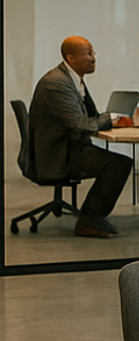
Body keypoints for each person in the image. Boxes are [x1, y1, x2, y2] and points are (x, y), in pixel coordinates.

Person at [20, 36, 132, 239]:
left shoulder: (73, 80)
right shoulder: (56, 83)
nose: (93, 58)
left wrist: (115, 118)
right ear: (70, 58)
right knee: (119, 164)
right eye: (88, 53)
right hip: (58, 155)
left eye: (93, 53)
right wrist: (112, 118)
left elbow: (91, 117)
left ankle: (91, 217)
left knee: (117, 162)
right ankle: (89, 220)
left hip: (69, 147)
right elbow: (80, 124)